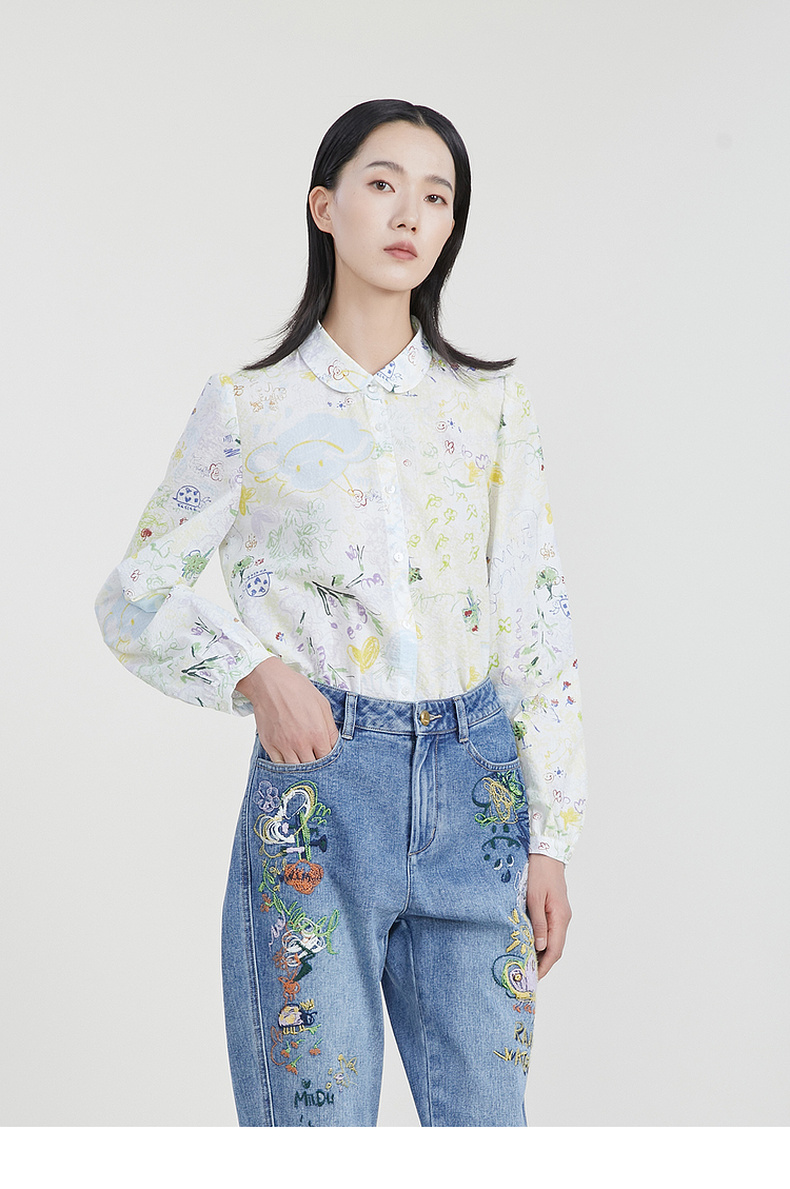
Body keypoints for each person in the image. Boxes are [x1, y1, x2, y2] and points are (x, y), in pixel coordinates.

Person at [95, 98, 588, 1128]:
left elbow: (533, 622)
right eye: (382, 183)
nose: (410, 213)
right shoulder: (250, 405)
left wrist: (552, 837)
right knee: (311, 1134)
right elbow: (136, 594)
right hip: (319, 799)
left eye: (437, 196)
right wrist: (256, 671)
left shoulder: (489, 407)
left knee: (488, 1133)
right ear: (324, 206)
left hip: (478, 795)